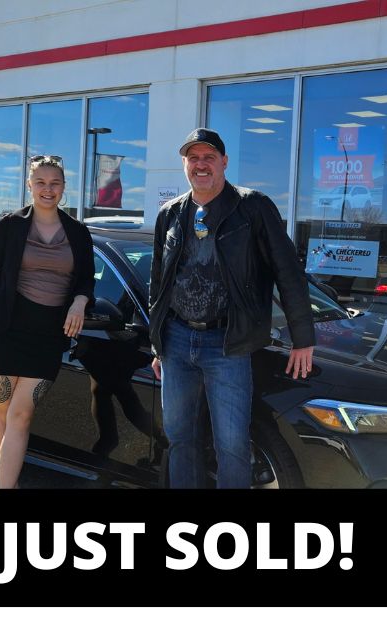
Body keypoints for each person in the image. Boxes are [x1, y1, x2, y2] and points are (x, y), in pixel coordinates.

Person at [149, 128, 315, 489]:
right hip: (176, 340)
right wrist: (158, 343)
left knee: (232, 444)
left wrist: (302, 337)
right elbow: (158, 282)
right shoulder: (170, 213)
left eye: (209, 157)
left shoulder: (252, 207)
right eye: (193, 158)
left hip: (227, 343)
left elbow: (288, 272)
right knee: (180, 439)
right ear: (184, 164)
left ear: (224, 162)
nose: (201, 165)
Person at [0, 155, 95, 488]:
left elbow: (86, 279)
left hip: (48, 334)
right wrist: (4, 307)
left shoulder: (78, 232)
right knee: (3, 412)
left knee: (21, 414)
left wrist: (80, 301)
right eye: (40, 182)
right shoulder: (9, 226)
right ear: (29, 185)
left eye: (55, 183)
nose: (47, 189)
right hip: (3, 330)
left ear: (64, 187)